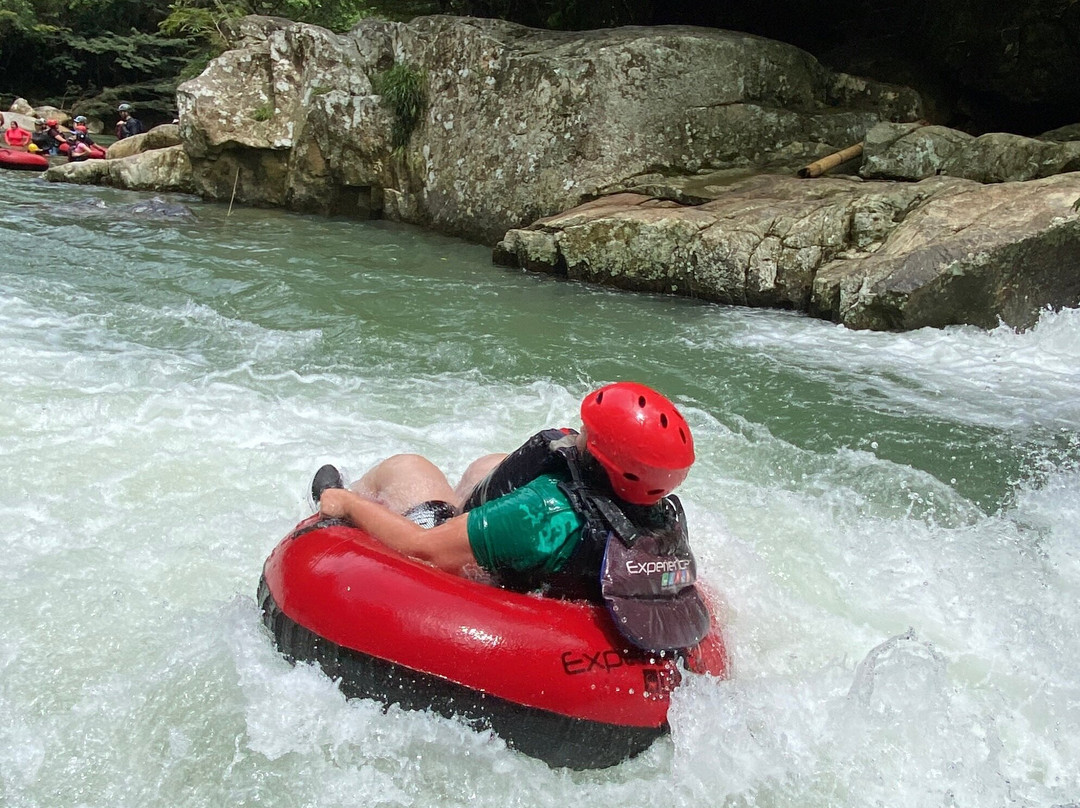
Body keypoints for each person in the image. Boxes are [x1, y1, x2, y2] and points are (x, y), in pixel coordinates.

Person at [314, 382, 710, 653]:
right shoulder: (660, 514)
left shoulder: (543, 511)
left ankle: (334, 501)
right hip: (551, 570)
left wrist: (350, 506)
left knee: (408, 467)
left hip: (477, 566)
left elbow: (424, 551)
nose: (578, 435)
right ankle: (464, 503)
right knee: (488, 465)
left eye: (588, 433)